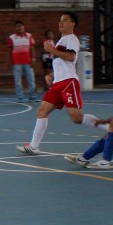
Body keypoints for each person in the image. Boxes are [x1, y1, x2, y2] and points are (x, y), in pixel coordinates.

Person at [16, 11, 104, 155]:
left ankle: (109, 127)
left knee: (76, 117)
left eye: (64, 20)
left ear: (72, 24)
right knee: (42, 111)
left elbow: (71, 57)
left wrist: (52, 50)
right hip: (58, 83)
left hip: (68, 82)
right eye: (60, 20)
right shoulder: (61, 41)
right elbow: (62, 63)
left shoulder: (71, 38)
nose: (60, 23)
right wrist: (52, 74)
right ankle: (34, 146)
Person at [8, 20, 37, 102]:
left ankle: (32, 96)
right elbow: (10, 51)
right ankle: (20, 97)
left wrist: (33, 59)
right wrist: (11, 62)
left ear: (24, 27)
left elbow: (32, 48)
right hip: (16, 63)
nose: (19, 28)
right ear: (15, 28)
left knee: (31, 80)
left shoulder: (29, 36)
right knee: (17, 81)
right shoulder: (12, 38)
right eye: (17, 26)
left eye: (20, 26)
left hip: (28, 62)